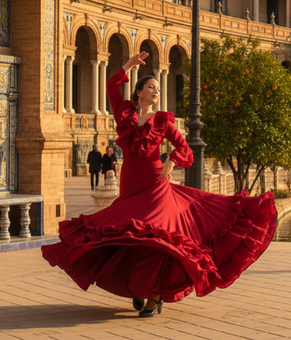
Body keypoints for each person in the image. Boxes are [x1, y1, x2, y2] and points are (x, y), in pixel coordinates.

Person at [42, 52, 277, 318]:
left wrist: (173, 161)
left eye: (158, 88)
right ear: (139, 91)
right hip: (130, 184)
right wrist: (128, 65)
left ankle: (153, 293)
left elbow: (185, 148)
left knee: (155, 237)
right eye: (151, 87)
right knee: (131, 237)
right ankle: (139, 287)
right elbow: (111, 86)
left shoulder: (163, 120)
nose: (156, 91)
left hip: (156, 183)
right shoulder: (125, 113)